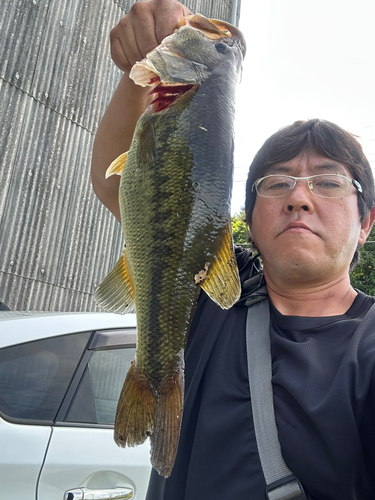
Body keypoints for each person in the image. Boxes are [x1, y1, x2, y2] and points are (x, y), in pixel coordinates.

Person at [91, 1, 375, 498]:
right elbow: (120, 187)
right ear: (242, 217)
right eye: (276, 182)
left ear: (366, 221)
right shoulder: (211, 287)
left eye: (328, 183)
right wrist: (141, 75)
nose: (299, 198)